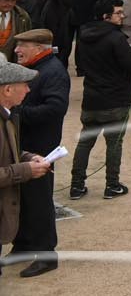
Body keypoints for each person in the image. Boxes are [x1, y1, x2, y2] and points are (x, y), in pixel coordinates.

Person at [70, 0, 131, 200]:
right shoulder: (115, 38)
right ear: (105, 16)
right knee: (114, 144)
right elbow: (130, 64)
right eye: (118, 13)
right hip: (115, 99)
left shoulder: (84, 34)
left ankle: (76, 186)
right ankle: (112, 185)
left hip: (91, 98)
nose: (123, 16)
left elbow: (81, 63)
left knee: (85, 143)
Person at [10, 29, 68, 274]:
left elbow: (55, 109)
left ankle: (47, 255)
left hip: (40, 147)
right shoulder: (35, 68)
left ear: (39, 48)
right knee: (22, 199)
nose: (16, 50)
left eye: (22, 45)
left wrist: (16, 113)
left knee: (39, 202)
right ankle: (23, 244)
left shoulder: (53, 71)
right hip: (25, 144)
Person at [0, 60, 55, 280]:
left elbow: (8, 152)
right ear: (7, 89)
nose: (29, 90)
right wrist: (25, 170)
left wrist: (29, 157)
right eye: (24, 85)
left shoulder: (7, 115)